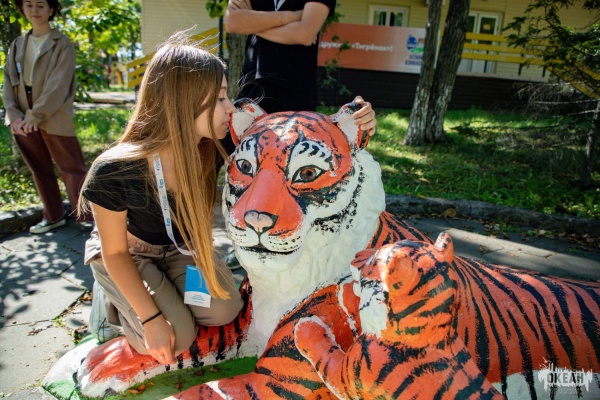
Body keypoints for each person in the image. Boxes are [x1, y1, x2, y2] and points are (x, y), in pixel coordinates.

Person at [3, 0, 91, 233]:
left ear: (51, 9)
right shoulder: (17, 44)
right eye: (29, 5)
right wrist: (14, 116)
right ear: (22, 8)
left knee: (72, 167)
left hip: (53, 115)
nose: (35, 10)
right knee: (39, 168)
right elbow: (8, 83)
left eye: (40, 5)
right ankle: (53, 216)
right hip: (22, 117)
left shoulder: (62, 44)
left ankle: (87, 218)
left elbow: (58, 86)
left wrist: (33, 116)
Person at [225, 0, 336, 113]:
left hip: (295, 89)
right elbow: (232, 23)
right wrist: (291, 16)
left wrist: (250, 23)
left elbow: (305, 34)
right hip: (252, 84)